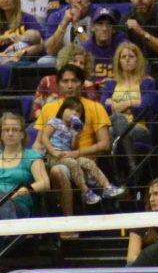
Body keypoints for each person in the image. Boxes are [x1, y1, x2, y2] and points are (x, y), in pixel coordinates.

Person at [33, 62, 113, 220]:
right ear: (59, 84)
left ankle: (67, 223)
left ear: (82, 84)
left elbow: (105, 144)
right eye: (65, 81)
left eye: (74, 81)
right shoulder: (49, 108)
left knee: (61, 170)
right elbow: (38, 143)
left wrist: (76, 153)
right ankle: (66, 222)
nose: (70, 85)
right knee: (58, 169)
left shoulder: (96, 107)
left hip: (84, 161)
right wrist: (37, 161)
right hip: (55, 158)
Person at [40, 97, 124, 206]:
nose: (74, 113)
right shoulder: (54, 121)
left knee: (88, 162)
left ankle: (107, 187)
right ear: (62, 110)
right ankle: (85, 192)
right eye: (70, 109)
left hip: (67, 155)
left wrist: (76, 134)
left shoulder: (73, 129)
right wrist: (53, 151)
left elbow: (73, 147)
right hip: (53, 156)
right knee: (73, 163)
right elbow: (44, 138)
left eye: (77, 111)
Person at [101, 41, 155, 176]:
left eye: (131, 56)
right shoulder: (111, 84)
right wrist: (131, 103)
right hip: (115, 127)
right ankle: (132, 167)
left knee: (114, 128)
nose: (127, 60)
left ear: (138, 60)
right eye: (123, 57)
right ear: (118, 61)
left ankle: (117, 175)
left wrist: (116, 105)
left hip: (138, 127)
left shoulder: (146, 82)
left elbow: (146, 107)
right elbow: (103, 109)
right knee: (116, 123)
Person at [41, 0, 101, 67]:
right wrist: (64, 24)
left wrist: (76, 25)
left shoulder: (97, 14)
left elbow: (94, 50)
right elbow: (50, 50)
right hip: (65, 59)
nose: (79, 0)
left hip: (88, 59)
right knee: (45, 61)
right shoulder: (56, 16)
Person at [0, 112, 49, 221]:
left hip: (18, 204)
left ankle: (9, 235)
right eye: (6, 130)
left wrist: (25, 189)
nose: (10, 133)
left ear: (22, 134)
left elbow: (45, 183)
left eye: (15, 130)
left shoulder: (31, 155)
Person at [0, 0, 43, 64]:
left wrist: (22, 53)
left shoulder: (27, 18)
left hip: (21, 61)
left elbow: (40, 45)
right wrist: (4, 38)